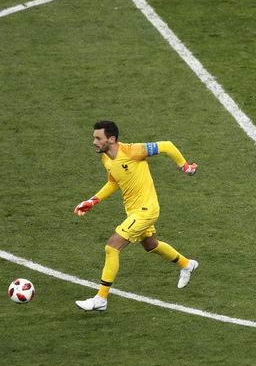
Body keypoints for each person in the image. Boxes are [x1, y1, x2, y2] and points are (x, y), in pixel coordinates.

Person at [74, 120, 200, 310]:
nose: (94, 142)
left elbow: (167, 145)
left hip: (146, 210)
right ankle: (187, 265)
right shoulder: (106, 159)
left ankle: (101, 299)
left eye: (98, 138)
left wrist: (185, 167)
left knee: (112, 247)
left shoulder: (133, 151)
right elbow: (114, 182)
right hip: (133, 211)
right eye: (94, 138)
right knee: (151, 245)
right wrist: (92, 201)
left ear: (112, 139)